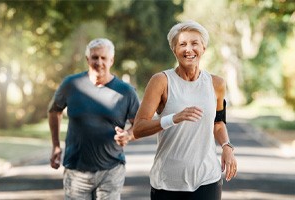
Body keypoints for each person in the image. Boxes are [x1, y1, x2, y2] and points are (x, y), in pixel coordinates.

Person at [133, 20, 237, 200]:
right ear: (174, 50)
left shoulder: (217, 84)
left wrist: (227, 146)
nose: (189, 49)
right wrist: (173, 118)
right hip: (168, 181)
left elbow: (218, 123)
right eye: (182, 44)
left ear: (203, 48)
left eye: (194, 43)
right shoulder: (161, 81)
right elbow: (138, 128)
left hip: (207, 179)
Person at [48, 38, 139, 200]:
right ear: (87, 59)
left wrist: (129, 135)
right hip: (76, 170)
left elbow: (139, 124)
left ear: (111, 60)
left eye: (104, 58)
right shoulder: (71, 84)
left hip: (111, 169)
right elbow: (54, 111)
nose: (99, 62)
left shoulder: (126, 92)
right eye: (95, 57)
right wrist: (55, 145)